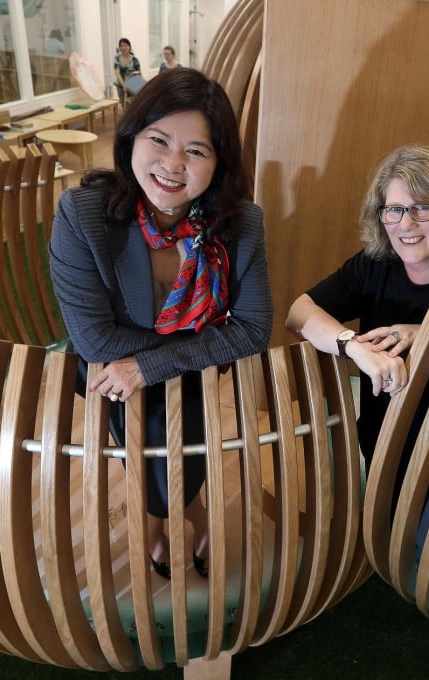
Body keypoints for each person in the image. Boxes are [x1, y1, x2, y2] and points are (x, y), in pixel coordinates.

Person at [49, 67, 272, 580]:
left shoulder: (240, 224)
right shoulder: (83, 213)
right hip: (107, 368)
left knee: (169, 413)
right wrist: (201, 342)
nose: (174, 164)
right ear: (131, 138)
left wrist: (152, 365)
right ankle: (180, 515)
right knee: (152, 420)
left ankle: (160, 518)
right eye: (159, 140)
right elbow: (95, 338)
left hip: (178, 369)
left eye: (196, 150)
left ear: (218, 163)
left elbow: (256, 328)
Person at [285, 144, 429, 546]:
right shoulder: (376, 264)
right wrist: (352, 346)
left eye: (422, 207)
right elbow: (298, 313)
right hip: (380, 441)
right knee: (379, 531)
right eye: (394, 209)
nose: (405, 223)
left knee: (420, 545)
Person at [113, 37, 142, 107]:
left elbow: (139, 74)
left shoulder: (135, 60)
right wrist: (124, 85)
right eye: (122, 46)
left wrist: (141, 85)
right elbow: (117, 73)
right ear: (119, 48)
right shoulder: (117, 58)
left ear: (129, 47)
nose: (124, 48)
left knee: (134, 105)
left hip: (133, 86)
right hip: (121, 86)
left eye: (126, 45)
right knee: (124, 106)